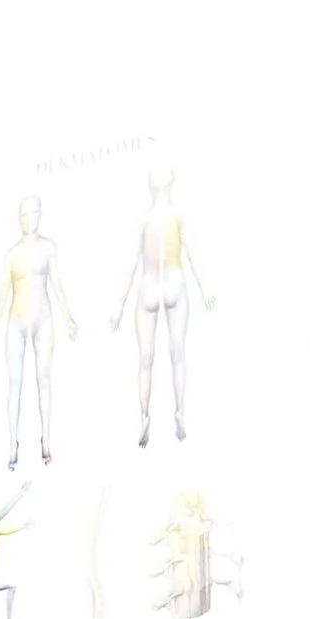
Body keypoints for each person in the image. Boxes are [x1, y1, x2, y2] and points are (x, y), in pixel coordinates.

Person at [112, 165, 213, 445]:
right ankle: (179, 413)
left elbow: (130, 263)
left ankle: (145, 416)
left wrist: (119, 304)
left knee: (146, 359)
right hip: (173, 281)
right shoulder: (178, 215)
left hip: (149, 283)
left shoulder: (144, 219)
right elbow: (192, 253)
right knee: (177, 353)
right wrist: (205, 288)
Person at [0, 195, 77, 468]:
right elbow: (2, 296)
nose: (29, 219)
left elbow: (57, 285)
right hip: (16, 321)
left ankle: (45, 441)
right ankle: (13, 444)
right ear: (19, 219)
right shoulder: (11, 255)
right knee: (15, 384)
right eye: (24, 215)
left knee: (43, 380)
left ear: (40, 215)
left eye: (33, 213)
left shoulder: (49, 248)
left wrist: (69, 318)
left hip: (43, 320)